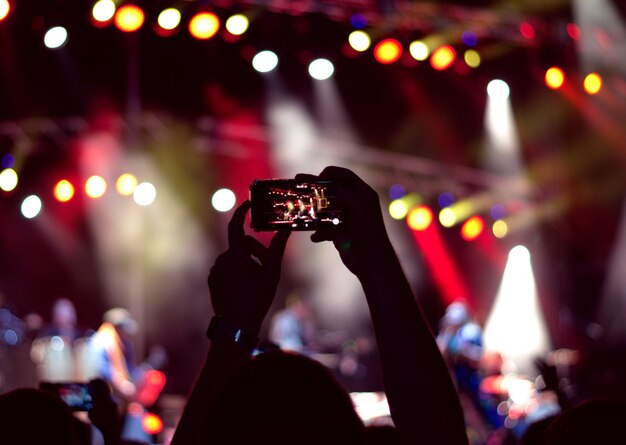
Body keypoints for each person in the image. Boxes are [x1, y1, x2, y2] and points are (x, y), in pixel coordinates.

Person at [170, 166, 468, 445]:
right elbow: (438, 436)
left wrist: (234, 328)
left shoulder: (296, 325)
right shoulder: (289, 323)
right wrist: (378, 264)